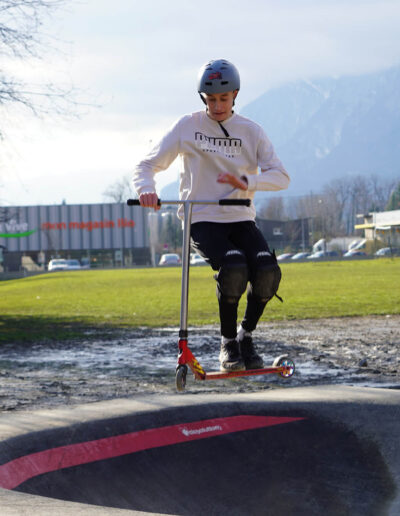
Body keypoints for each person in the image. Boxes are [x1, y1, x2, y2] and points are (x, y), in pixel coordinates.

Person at [133, 58, 290, 372]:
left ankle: (246, 336)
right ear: (202, 97)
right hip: (203, 218)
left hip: (241, 217)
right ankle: (228, 342)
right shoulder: (187, 126)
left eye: (224, 98)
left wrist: (248, 181)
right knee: (233, 266)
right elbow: (146, 165)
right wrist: (146, 189)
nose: (217, 105)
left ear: (235, 94)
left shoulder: (251, 131)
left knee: (267, 271)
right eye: (211, 99)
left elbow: (281, 176)